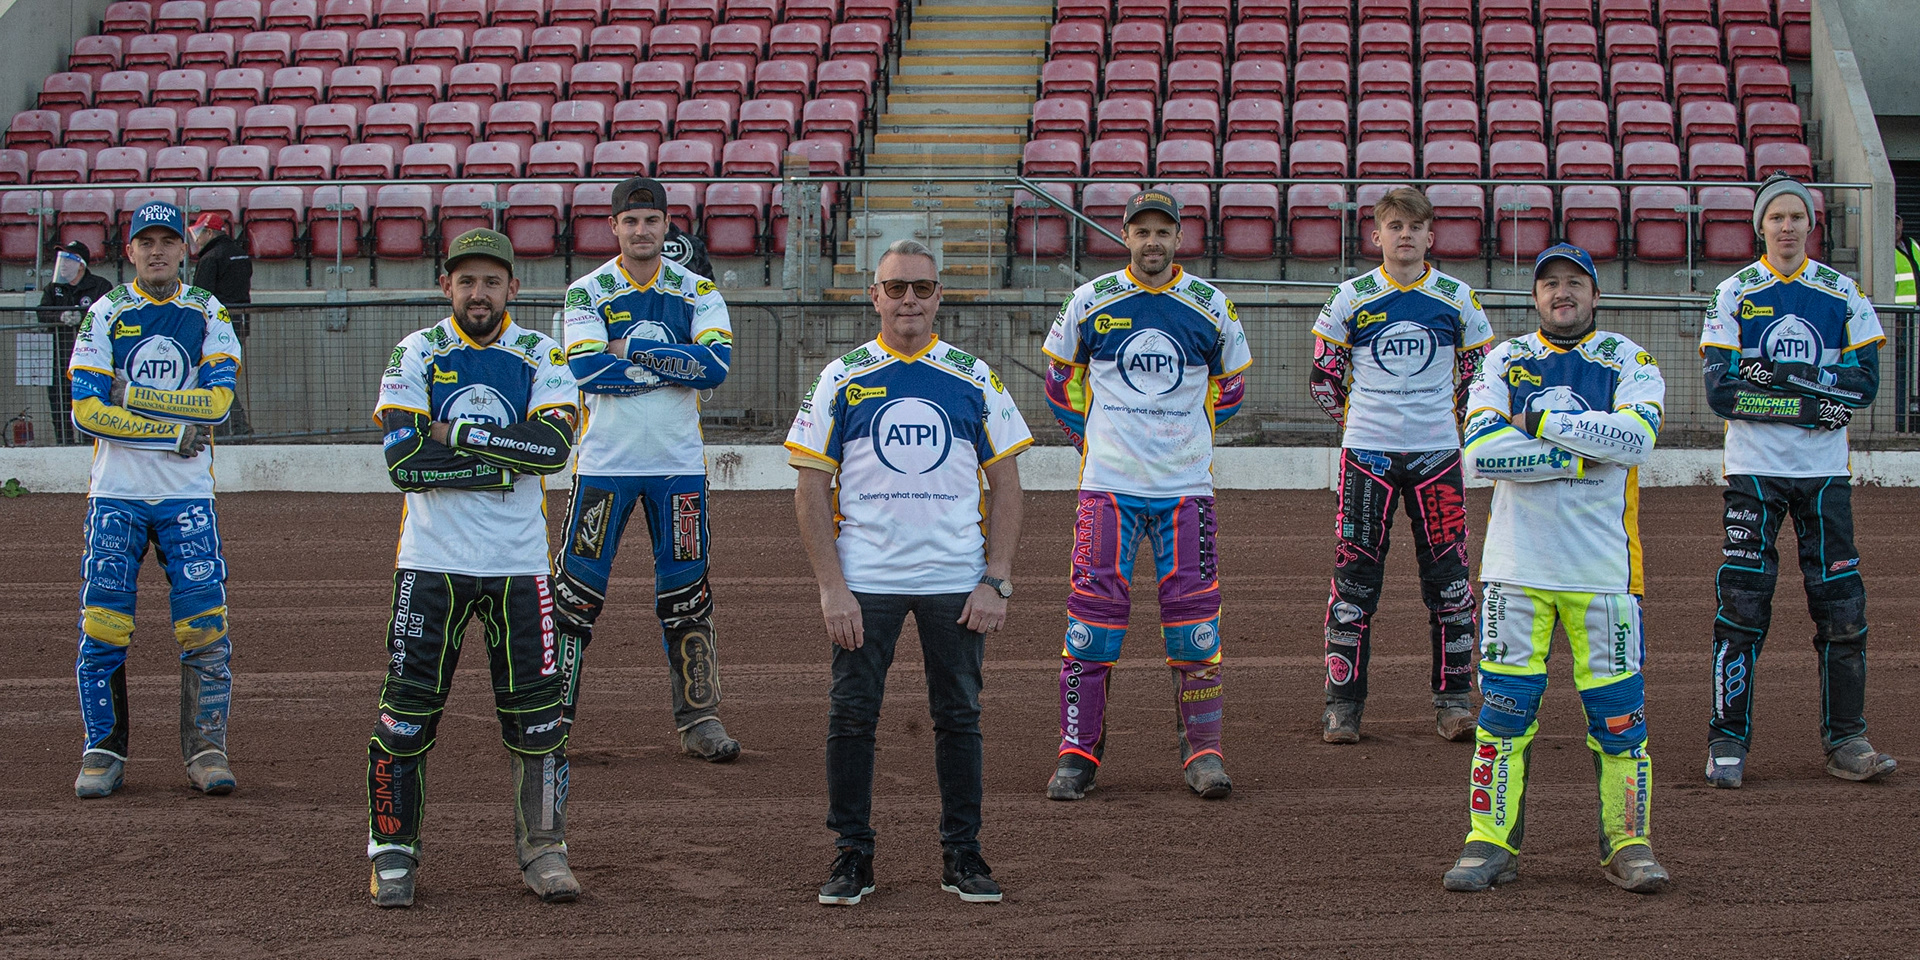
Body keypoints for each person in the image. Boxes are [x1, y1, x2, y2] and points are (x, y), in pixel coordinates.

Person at [788, 239, 1032, 907]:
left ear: (939, 297)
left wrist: (997, 578)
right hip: (866, 584)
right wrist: (832, 588)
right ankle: (852, 856)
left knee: (960, 717)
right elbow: (809, 487)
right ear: (874, 295)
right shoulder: (841, 376)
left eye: (921, 288)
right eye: (896, 288)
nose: (908, 301)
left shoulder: (972, 376)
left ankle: (963, 853)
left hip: (957, 582)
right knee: (851, 718)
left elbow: (1008, 484)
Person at [1443, 243, 1671, 894]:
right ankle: (1489, 845)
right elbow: (1481, 454)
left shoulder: (1630, 359)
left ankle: (1629, 845)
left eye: (1575, 282)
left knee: (1621, 722)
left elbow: (1637, 441)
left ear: (1595, 294)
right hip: (1517, 571)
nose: (1561, 293)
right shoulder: (1505, 359)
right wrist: (1580, 455)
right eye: (1550, 284)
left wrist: (1537, 419)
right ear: (1535, 296)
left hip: (1605, 575)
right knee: (1503, 718)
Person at [365, 229, 582, 908]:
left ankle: (544, 849)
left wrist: (454, 433)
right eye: (467, 281)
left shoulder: (541, 353)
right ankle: (393, 851)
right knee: (405, 716)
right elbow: (405, 463)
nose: (478, 293)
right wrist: (501, 463)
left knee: (541, 721)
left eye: (492, 281)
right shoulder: (418, 350)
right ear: (446, 286)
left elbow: (551, 452)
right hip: (430, 563)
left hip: (519, 566)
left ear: (512, 288)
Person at [1040, 189, 1252, 801]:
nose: (1152, 241)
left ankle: (1204, 751)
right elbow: (1058, 381)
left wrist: (1194, 435)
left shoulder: (1209, 305)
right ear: (1125, 236)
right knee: (1091, 624)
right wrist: (1092, 440)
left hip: (1187, 493)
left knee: (1195, 625)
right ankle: (1078, 753)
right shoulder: (1091, 300)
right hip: (1107, 491)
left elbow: (1232, 386)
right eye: (1142, 231)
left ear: (1177, 238)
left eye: (1163, 231)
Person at [1699, 173, 1894, 788]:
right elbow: (1722, 392)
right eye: (1776, 216)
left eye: (1797, 216)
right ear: (1759, 225)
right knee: (1743, 604)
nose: (1786, 226)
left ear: (1813, 224)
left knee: (1841, 606)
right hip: (1754, 473)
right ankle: (1726, 743)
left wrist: (1774, 374)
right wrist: (1810, 400)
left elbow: (1863, 385)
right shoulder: (1732, 293)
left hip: (1825, 474)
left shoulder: (1842, 293)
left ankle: (1848, 741)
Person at [553, 177, 742, 761]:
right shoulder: (586, 291)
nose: (640, 231)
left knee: (687, 593)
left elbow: (715, 368)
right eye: (629, 221)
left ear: (667, 225)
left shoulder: (699, 290)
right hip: (604, 466)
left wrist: (626, 350)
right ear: (613, 227)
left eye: (651, 220)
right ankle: (549, 718)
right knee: (575, 594)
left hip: (678, 467)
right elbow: (585, 372)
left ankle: (700, 720)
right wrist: (674, 362)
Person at [65, 201, 241, 799]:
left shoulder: (207, 311)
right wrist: (171, 429)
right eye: (147, 242)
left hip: (186, 496)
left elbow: (217, 406)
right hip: (116, 494)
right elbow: (87, 411)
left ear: (184, 251)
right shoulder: (105, 312)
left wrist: (131, 393)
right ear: (130, 250)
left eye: (169, 240)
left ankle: (207, 748)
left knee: (203, 628)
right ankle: (102, 750)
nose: (158, 250)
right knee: (104, 628)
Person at [1308, 186, 1494, 744]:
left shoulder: (1459, 298)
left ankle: (1455, 701)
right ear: (1377, 235)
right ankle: (1343, 706)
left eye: (1415, 226)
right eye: (1394, 225)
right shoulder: (1349, 297)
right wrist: (1362, 422)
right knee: (1355, 582)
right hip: (1367, 456)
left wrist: (1448, 422)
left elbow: (1479, 379)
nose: (1405, 235)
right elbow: (1323, 377)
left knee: (1451, 581)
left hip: (1438, 455)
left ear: (1431, 236)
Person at [39, 240, 113, 445]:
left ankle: (92, 443)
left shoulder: (100, 286)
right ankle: (64, 444)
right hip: (60, 356)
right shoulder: (54, 288)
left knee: (90, 401)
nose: (62, 265)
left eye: (67, 260)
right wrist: (60, 317)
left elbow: (110, 315)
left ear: (81, 264)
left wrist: (84, 318)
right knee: (60, 403)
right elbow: (41, 313)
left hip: (91, 359)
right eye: (60, 260)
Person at [188, 212, 253, 436]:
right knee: (226, 374)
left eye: (198, 233)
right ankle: (233, 427)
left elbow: (201, 298)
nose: (195, 240)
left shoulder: (210, 258)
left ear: (209, 232)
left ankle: (235, 427)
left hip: (216, 327)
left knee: (217, 377)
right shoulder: (240, 254)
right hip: (239, 322)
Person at [1894, 214, 1917, 306]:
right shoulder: (1884, 250)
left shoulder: (1912, 244)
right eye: (1891, 224)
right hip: (1900, 311)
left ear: (1901, 224)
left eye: (1896, 223)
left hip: (1916, 309)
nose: (1895, 228)